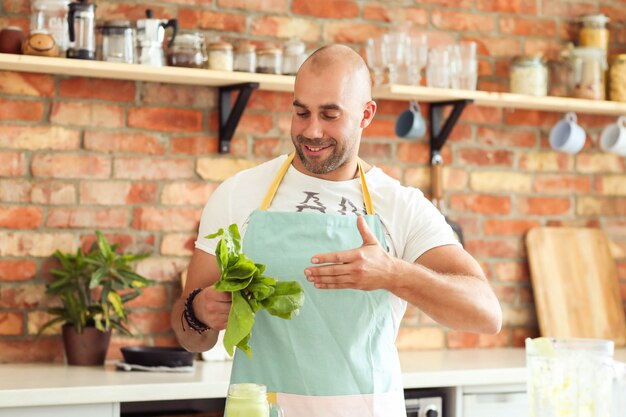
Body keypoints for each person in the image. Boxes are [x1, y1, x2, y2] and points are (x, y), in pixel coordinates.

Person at [171, 44, 502, 417]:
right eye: (301, 112)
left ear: (366, 115)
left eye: (330, 115)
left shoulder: (401, 205)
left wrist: (394, 274)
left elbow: (486, 314)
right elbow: (189, 337)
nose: (312, 130)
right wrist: (199, 311)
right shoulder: (237, 194)